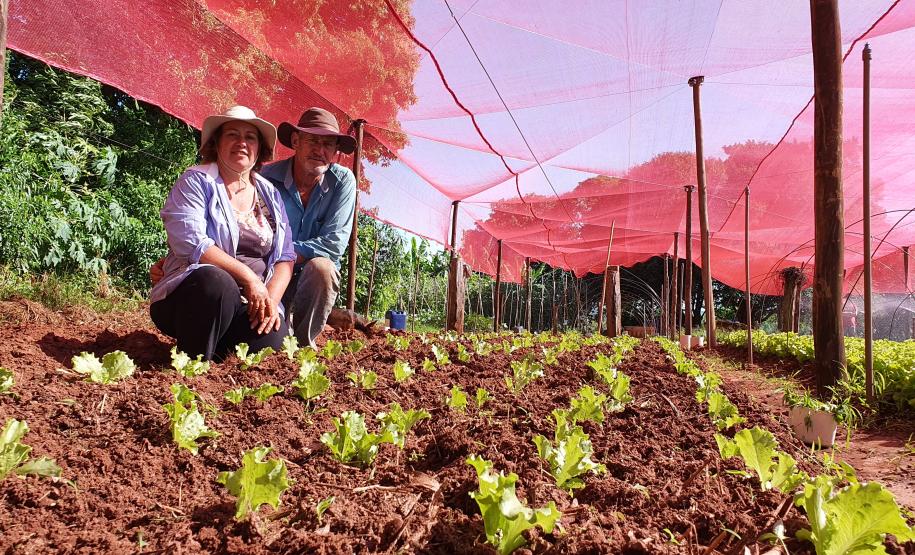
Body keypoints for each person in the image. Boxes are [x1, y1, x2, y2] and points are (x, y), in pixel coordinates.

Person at [149, 106, 296, 360]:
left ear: (259, 148)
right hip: (195, 296)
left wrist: (269, 301)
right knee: (217, 283)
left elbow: (285, 256)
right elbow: (192, 242)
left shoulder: (270, 194)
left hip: (248, 304)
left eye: (250, 137)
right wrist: (249, 278)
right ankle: (194, 364)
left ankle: (218, 348)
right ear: (216, 142)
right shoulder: (196, 181)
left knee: (274, 338)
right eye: (232, 135)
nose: (242, 143)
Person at [260, 107, 357, 347]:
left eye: (328, 144)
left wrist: (286, 254)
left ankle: (304, 344)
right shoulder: (264, 178)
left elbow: (334, 244)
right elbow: (251, 234)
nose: (320, 150)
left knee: (323, 268)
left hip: (306, 276)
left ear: (335, 151)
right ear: (295, 140)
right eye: (313, 140)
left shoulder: (343, 181)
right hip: (269, 271)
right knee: (266, 339)